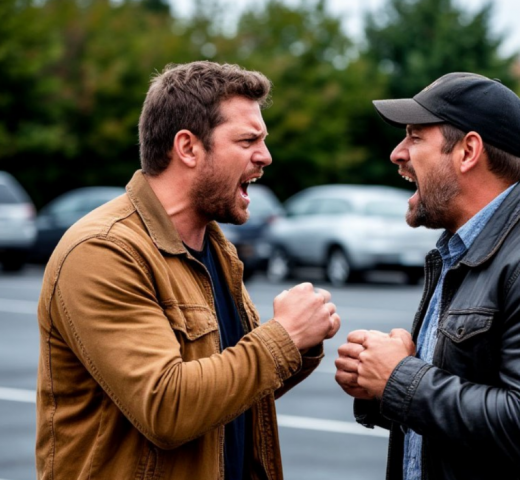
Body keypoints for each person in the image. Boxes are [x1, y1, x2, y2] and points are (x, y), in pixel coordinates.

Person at [36, 61, 340, 480]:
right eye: (248, 140)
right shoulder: (102, 251)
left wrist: (301, 346)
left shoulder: (214, 248)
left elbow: (225, 395)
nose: (265, 156)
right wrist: (283, 337)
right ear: (188, 147)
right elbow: (167, 408)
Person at [335, 72, 520, 480]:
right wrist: (379, 388)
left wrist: (400, 378)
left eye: (415, 137)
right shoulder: (461, 250)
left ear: (468, 151)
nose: (397, 153)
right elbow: (465, 427)